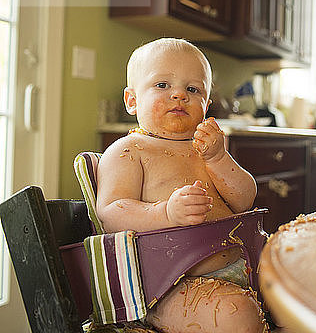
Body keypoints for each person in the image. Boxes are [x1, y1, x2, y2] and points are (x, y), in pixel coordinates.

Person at [96, 38, 268, 333]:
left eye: (193, 89)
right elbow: (110, 212)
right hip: (168, 286)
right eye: (162, 85)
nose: (179, 95)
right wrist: (166, 213)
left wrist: (217, 158)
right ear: (132, 100)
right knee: (235, 314)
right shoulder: (129, 150)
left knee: (301, 289)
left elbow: (243, 199)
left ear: (207, 104)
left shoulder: (206, 148)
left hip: (246, 265)